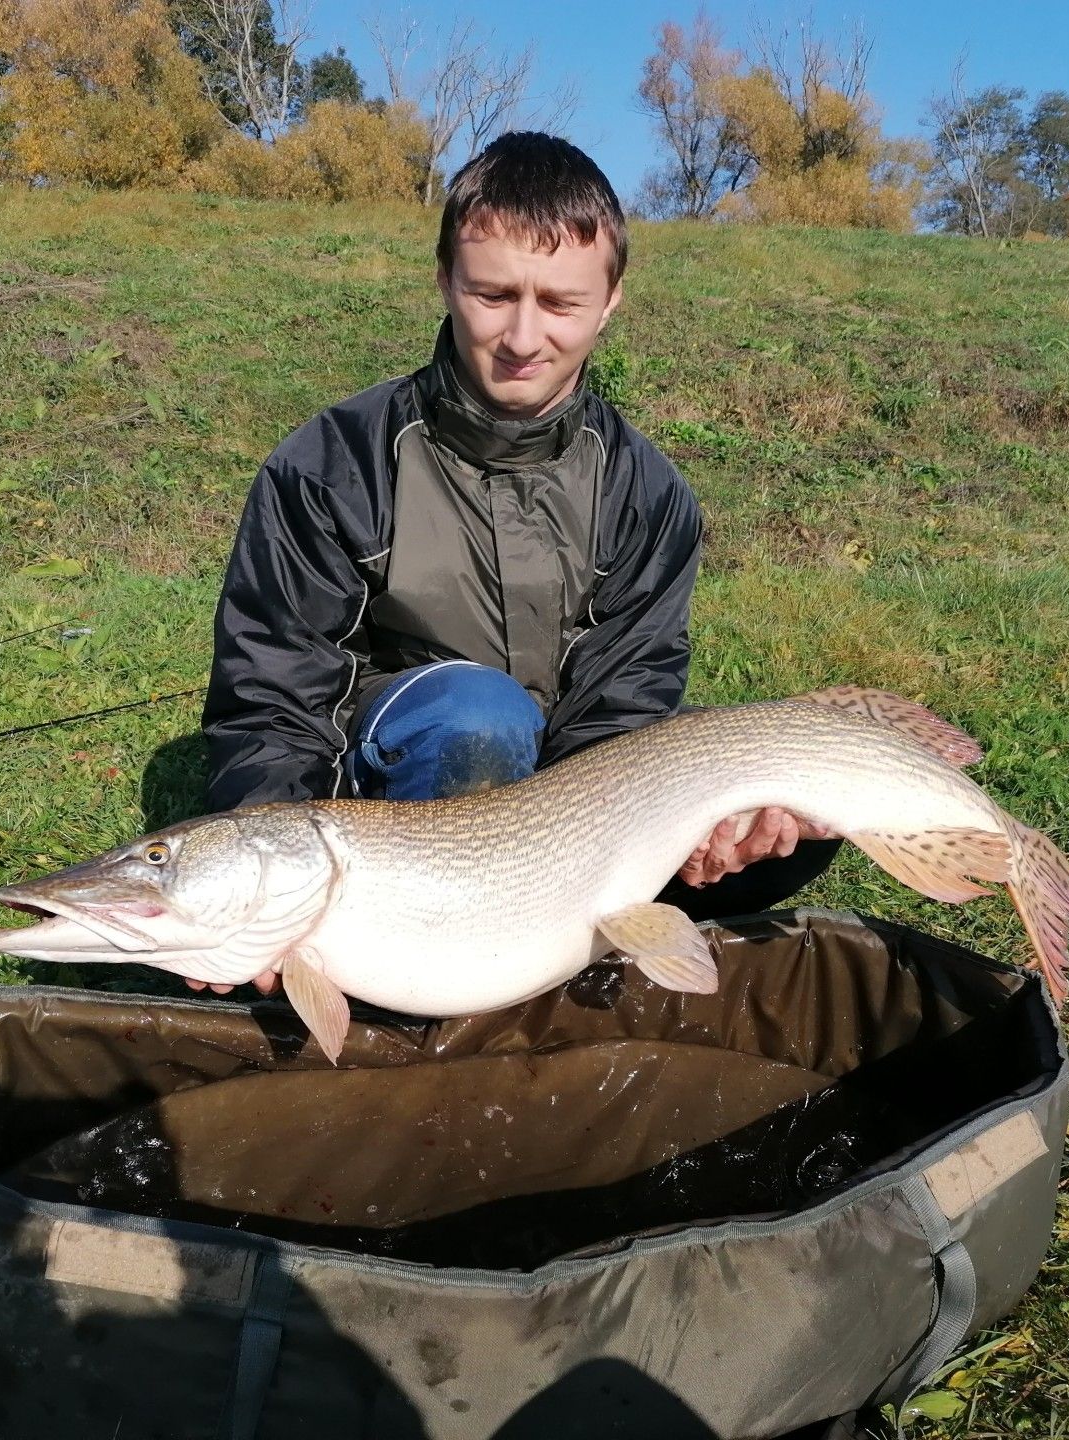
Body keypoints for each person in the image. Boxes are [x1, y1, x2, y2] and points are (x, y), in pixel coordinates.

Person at [197, 132, 836, 994]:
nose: (523, 337)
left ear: (610, 301)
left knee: (796, 802)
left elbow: (622, 710)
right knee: (475, 713)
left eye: (561, 303)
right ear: (445, 280)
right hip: (375, 804)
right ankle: (421, 959)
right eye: (492, 294)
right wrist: (259, 886)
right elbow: (273, 698)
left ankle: (568, 934)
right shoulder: (331, 461)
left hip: (560, 810)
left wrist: (701, 829)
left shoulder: (648, 492)